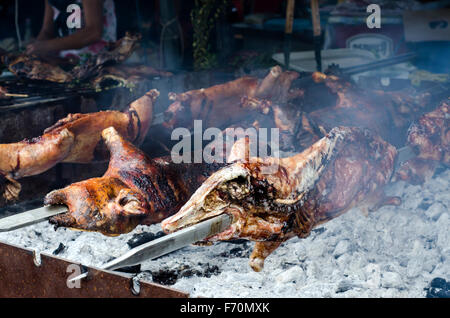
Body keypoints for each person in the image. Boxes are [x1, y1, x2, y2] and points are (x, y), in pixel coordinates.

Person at [26, 0, 116, 63]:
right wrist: (36, 49)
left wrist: (45, 46)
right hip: (65, 63)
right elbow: (47, 31)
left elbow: (93, 33)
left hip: (96, 64)